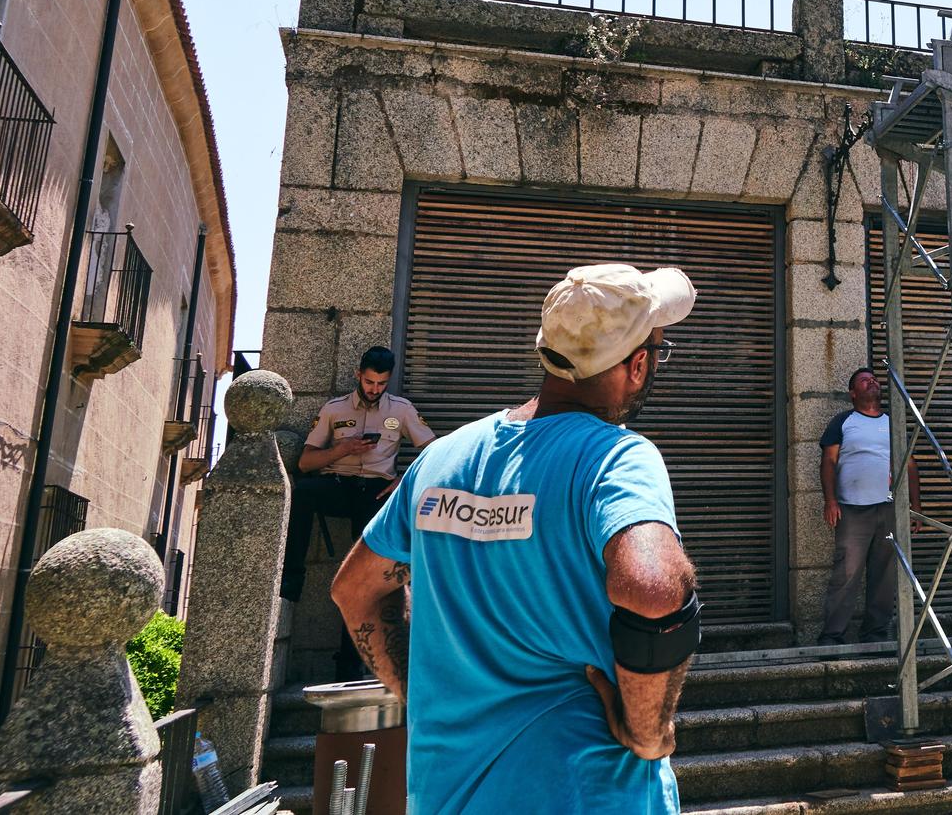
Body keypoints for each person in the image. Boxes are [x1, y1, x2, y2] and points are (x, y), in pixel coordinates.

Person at [331, 263, 700, 814]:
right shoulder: (616, 457)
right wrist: (648, 730)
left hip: (444, 795)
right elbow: (653, 590)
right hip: (587, 794)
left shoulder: (442, 459)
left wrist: (423, 693)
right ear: (639, 365)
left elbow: (353, 590)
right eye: (659, 352)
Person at [283, 346, 435, 677]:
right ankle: (290, 582)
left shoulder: (401, 410)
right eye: (369, 382)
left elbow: (433, 452)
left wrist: (402, 480)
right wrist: (343, 449)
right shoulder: (334, 409)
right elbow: (306, 462)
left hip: (376, 493)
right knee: (303, 493)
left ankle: (349, 668)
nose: (374, 390)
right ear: (358, 376)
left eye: (381, 384)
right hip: (338, 485)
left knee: (361, 579)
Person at [819, 367, 921, 646]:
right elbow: (828, 462)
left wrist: (916, 506)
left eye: (874, 379)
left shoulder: (894, 424)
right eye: (864, 381)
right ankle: (831, 636)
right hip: (852, 510)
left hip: (888, 509)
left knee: (885, 575)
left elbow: (909, 465)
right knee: (847, 573)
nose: (872, 382)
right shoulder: (843, 422)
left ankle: (875, 634)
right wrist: (830, 500)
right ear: (853, 394)